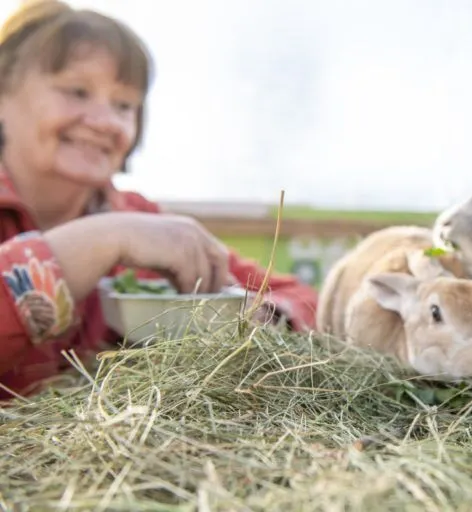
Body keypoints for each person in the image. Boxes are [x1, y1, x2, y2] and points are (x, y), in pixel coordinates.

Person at [0, 0, 318, 401]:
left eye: (124, 105)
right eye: (77, 92)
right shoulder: (128, 229)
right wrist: (102, 241)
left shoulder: (142, 221)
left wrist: (260, 317)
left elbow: (300, 297)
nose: (105, 122)